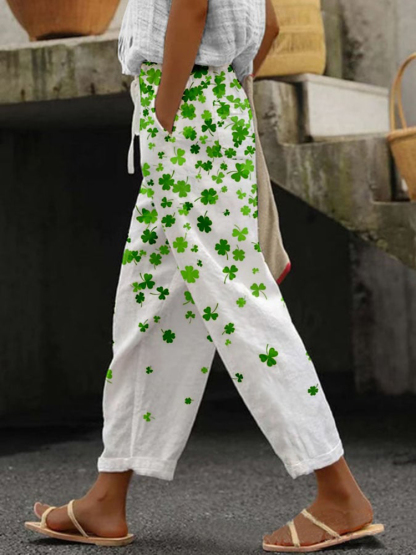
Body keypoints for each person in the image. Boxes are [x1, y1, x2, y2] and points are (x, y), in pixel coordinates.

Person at [25, 0, 384, 550]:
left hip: (187, 114)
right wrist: (208, 98)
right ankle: (107, 496)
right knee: (148, 307)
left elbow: (191, 5)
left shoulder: (177, 108)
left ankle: (339, 492)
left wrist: (166, 111)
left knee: (240, 306)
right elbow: (271, 24)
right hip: (208, 109)